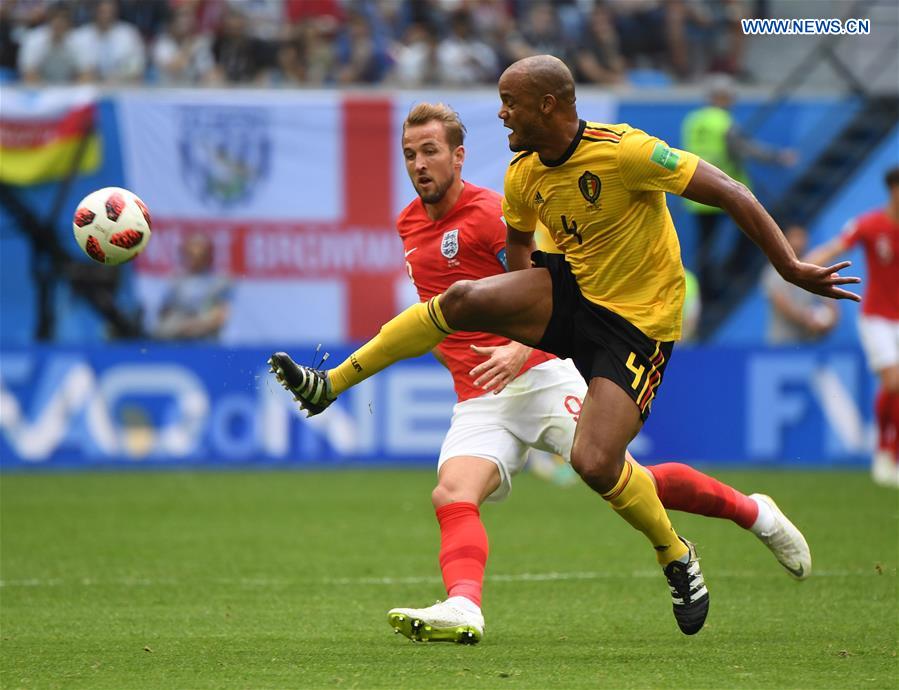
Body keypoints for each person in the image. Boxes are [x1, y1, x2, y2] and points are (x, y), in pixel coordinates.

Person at [269, 55, 858, 639]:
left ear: (547, 104)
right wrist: (526, 324)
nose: (501, 113)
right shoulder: (521, 176)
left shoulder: (626, 151)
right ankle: (337, 391)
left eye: (510, 102)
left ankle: (688, 546)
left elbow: (730, 189)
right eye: (411, 154)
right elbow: (526, 266)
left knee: (600, 464)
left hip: (636, 323)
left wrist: (789, 266)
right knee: (463, 312)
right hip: (557, 315)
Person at [806, 168, 899, 487]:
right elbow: (836, 247)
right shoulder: (872, 224)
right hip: (876, 317)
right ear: (893, 190)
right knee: (893, 381)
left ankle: (890, 453)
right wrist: (805, 265)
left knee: (896, 387)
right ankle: (886, 451)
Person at [681, 73, 797, 304]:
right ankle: (733, 270)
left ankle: (706, 289)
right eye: (730, 97)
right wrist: (777, 156)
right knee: (754, 226)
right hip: (725, 190)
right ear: (722, 97)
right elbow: (743, 149)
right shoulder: (723, 122)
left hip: (694, 190)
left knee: (706, 245)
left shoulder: (693, 121)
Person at [763, 224, 839, 345]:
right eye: (794, 238)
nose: (798, 243)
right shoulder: (773, 271)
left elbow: (830, 300)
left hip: (809, 344)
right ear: (784, 240)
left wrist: (829, 321)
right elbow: (781, 304)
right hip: (782, 344)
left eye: (801, 238)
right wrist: (807, 320)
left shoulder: (815, 269)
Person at [154, 233, 232, 341]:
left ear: (208, 257)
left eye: (200, 256)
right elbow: (163, 313)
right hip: (176, 336)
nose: (194, 260)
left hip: (205, 338)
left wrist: (193, 326)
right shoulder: (175, 281)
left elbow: (220, 317)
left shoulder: (220, 283)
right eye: (190, 255)